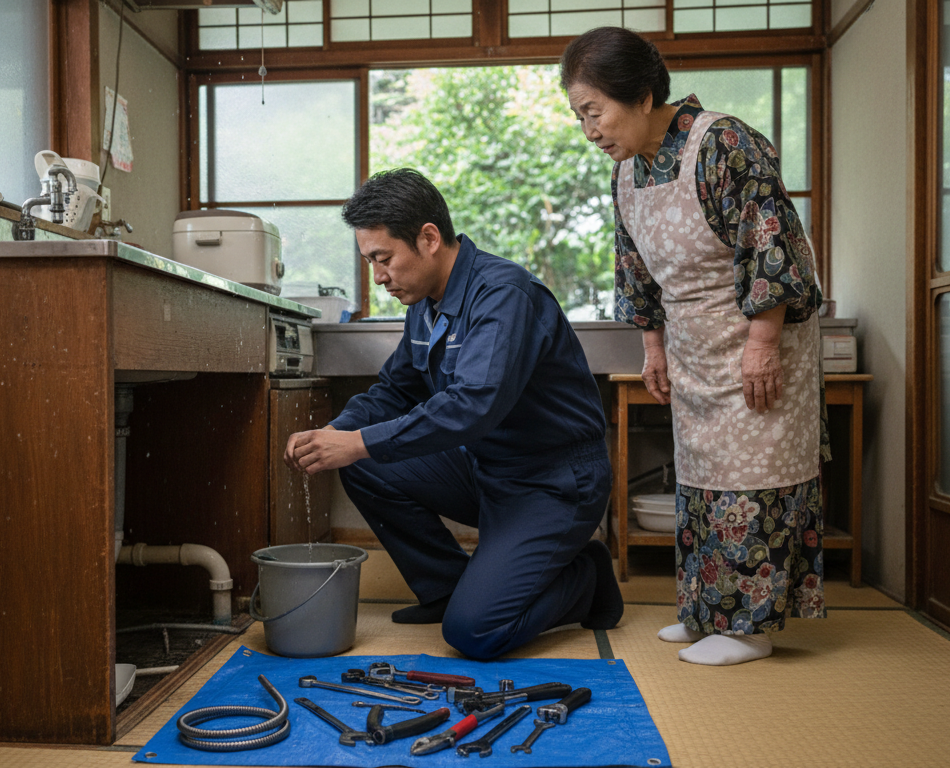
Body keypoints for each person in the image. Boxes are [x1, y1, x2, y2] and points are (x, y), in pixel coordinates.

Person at [560, 27, 830, 666]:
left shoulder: (725, 143)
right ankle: (707, 611)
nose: (589, 131)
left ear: (642, 96)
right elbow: (635, 269)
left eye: (594, 112)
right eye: (580, 117)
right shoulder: (627, 172)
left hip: (756, 335)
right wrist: (653, 349)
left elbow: (771, 244)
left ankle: (749, 628)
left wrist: (762, 343)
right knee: (702, 478)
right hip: (693, 344)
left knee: (753, 480)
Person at [284, 168, 623, 661]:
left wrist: (357, 441)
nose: (378, 277)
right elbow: (394, 389)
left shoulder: (502, 295)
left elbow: (472, 406)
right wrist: (335, 433)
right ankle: (448, 588)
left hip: (553, 482)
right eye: (370, 261)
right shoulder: (425, 305)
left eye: (384, 259)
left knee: (475, 633)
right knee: (362, 463)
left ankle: (586, 579)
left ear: (428, 238)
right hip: (487, 469)